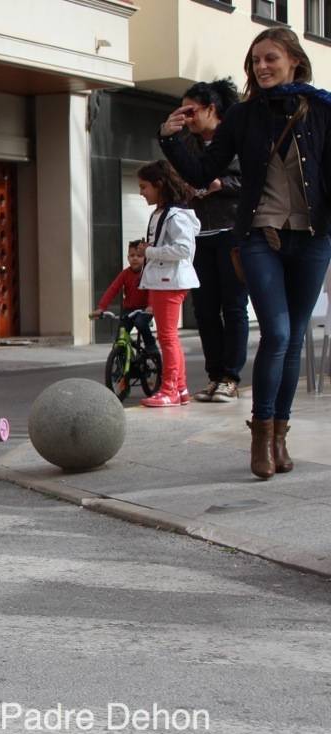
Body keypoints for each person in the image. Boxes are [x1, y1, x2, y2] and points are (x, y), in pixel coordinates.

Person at [158, 26, 331, 478]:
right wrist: (172, 138)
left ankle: (280, 434)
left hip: (312, 238)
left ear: (294, 59)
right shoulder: (243, 117)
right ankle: (260, 434)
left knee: (293, 338)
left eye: (270, 58)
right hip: (258, 236)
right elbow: (202, 171)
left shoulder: (322, 110)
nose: (262, 67)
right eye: (256, 61)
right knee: (275, 332)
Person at [176, 78, 249, 404]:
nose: (187, 118)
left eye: (192, 111)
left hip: (232, 232)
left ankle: (231, 377)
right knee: (204, 310)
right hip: (199, 233)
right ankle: (214, 375)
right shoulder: (188, 145)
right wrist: (187, 189)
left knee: (233, 307)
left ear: (211, 108)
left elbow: (253, 180)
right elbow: (179, 174)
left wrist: (223, 183)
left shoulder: (236, 138)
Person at [133, 160, 200, 409]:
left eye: (144, 187)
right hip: (165, 280)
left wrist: (151, 252)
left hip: (168, 281)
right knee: (169, 337)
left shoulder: (175, 214)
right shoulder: (165, 213)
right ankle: (179, 388)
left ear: (159, 185)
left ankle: (170, 389)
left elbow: (184, 248)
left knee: (168, 337)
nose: (141, 192)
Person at [89, 239, 158, 354]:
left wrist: (150, 306)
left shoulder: (147, 273)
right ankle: (122, 358)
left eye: (139, 256)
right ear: (127, 258)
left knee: (140, 323)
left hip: (144, 310)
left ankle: (151, 345)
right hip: (128, 310)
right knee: (121, 336)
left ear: (145, 257)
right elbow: (113, 289)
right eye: (132, 255)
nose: (135, 258)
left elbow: (152, 290)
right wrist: (101, 307)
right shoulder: (125, 274)